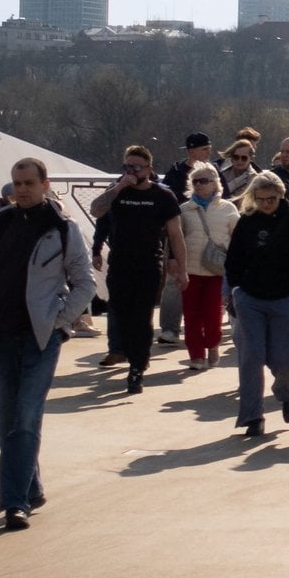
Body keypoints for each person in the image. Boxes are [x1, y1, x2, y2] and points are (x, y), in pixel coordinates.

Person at [0, 157, 96, 531]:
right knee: (6, 423)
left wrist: (59, 321)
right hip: (2, 337)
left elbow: (86, 283)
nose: (21, 189)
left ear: (45, 184)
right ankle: (31, 488)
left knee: (25, 417)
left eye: (28, 183)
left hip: (41, 339)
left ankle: (14, 502)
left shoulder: (62, 229)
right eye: (16, 183)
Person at [89, 145, 186, 396]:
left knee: (141, 318)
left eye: (137, 167)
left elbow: (175, 234)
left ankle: (136, 367)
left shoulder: (162, 196)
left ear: (149, 169)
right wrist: (119, 187)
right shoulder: (117, 193)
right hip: (120, 264)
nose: (131, 171)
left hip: (149, 266)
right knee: (121, 315)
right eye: (127, 166)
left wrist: (180, 266)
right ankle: (133, 354)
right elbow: (96, 211)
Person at [224, 172, 289, 438]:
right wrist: (237, 289)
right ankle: (252, 417)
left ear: (280, 196)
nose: (266, 204)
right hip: (250, 298)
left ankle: (288, 392)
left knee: (284, 358)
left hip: (286, 299)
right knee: (251, 356)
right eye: (261, 199)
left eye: (271, 199)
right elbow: (233, 261)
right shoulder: (246, 222)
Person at [177, 162, 238, 372]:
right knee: (191, 315)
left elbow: (238, 238)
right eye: (195, 181)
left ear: (215, 183)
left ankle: (212, 344)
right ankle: (196, 355)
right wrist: (175, 264)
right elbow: (175, 239)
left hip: (217, 270)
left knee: (213, 315)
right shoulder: (184, 210)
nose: (199, 185)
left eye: (204, 181)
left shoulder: (228, 209)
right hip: (191, 270)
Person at [156, 132, 216, 343]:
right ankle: (169, 328)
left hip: (207, 236)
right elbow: (166, 202)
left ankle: (200, 328)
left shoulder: (213, 171)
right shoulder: (176, 172)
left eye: (209, 148)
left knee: (206, 281)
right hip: (180, 230)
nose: (209, 152)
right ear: (191, 150)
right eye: (204, 148)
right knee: (174, 279)